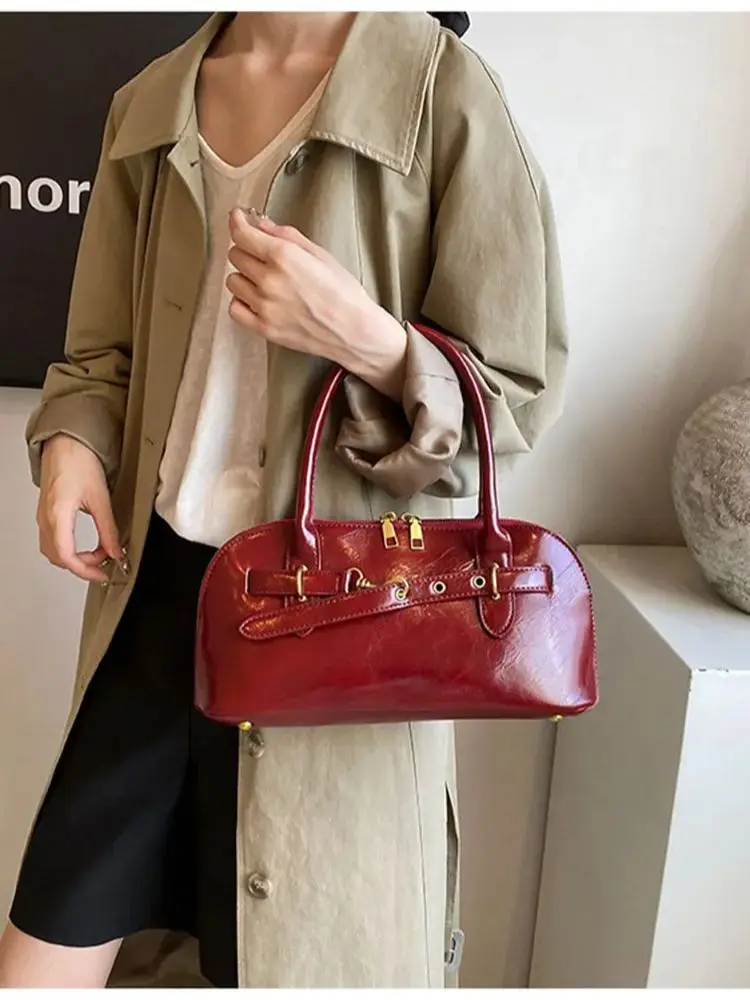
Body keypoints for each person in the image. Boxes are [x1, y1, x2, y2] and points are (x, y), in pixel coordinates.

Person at [0, 11, 567, 990]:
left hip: (340, 612)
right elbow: (99, 353)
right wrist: (72, 443)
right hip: (157, 597)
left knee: (295, 953)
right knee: (46, 944)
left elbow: (513, 400)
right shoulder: (151, 101)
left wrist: (368, 340)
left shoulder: (444, 95)